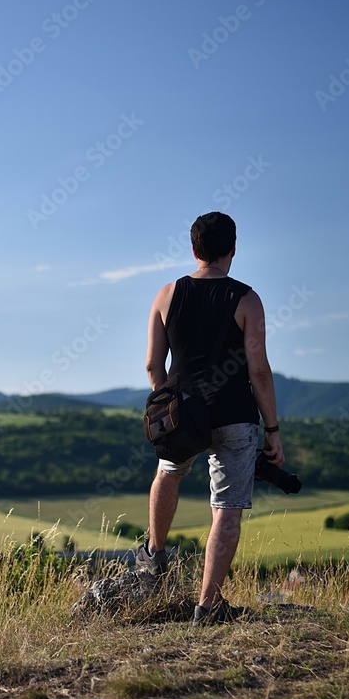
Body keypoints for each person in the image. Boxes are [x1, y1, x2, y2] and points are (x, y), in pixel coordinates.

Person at [136, 211, 285, 625]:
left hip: (183, 412)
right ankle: (208, 606)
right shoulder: (247, 300)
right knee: (227, 508)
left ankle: (154, 558)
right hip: (235, 415)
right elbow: (259, 372)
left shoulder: (167, 294)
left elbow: (152, 364)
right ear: (233, 250)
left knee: (168, 472)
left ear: (193, 249)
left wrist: (169, 408)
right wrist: (272, 430)